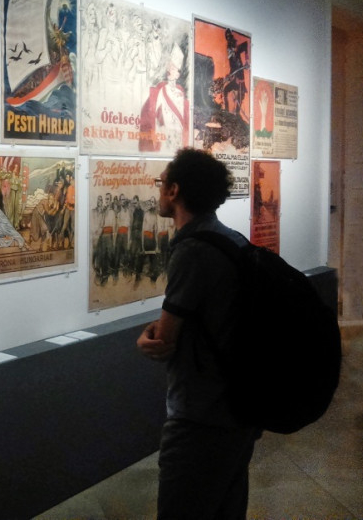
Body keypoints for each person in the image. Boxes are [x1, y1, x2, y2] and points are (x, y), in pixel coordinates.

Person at [136, 148, 260, 520]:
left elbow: (163, 343)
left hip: (201, 417)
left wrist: (147, 338)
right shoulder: (232, 240)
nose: (159, 189)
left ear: (174, 191)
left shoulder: (191, 251)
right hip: (241, 407)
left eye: (161, 182)